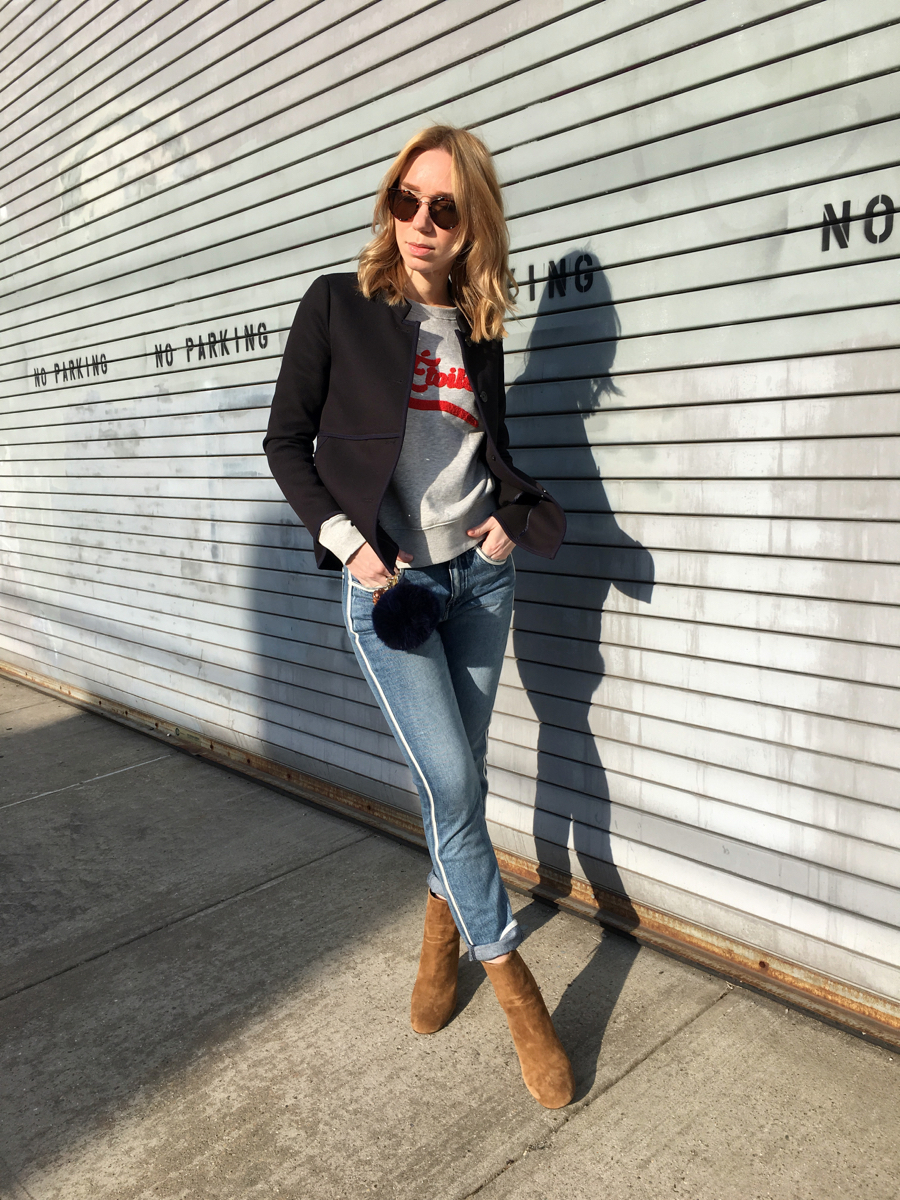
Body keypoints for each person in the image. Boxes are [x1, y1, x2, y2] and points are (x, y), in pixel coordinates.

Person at [264, 125, 573, 1108]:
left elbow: (492, 453)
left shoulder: (478, 324)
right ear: (390, 201)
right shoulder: (338, 306)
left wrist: (506, 526)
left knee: (463, 785)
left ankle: (440, 928)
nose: (422, 224)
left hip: (480, 581)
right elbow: (286, 443)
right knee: (448, 778)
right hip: (392, 592)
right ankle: (512, 978)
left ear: (471, 219)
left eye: (444, 208)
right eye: (408, 199)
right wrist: (352, 544)